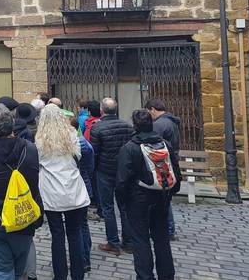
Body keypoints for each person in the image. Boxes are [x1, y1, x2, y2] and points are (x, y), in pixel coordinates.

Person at [0, 103, 43, 280]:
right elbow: (34, 180)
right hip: (25, 218)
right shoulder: (31, 149)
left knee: (1, 273)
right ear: (13, 122)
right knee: (20, 270)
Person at [116, 109, 181, 280]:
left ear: (135, 126)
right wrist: (170, 193)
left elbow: (122, 181)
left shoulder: (129, 148)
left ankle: (145, 276)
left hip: (137, 200)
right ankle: (167, 275)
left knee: (141, 240)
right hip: (161, 197)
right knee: (161, 239)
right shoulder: (166, 144)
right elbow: (176, 172)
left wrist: (122, 202)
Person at [35, 104, 89, 280]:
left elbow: (37, 163)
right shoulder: (72, 135)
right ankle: (78, 274)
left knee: (57, 235)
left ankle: (59, 275)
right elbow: (80, 157)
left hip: (51, 191)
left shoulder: (39, 140)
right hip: (73, 188)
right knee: (74, 233)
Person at [89, 97, 134, 256]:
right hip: (123, 172)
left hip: (105, 171)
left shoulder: (98, 128)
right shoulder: (127, 126)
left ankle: (113, 242)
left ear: (102, 110)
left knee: (108, 207)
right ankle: (128, 242)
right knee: (125, 207)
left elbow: (94, 152)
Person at [145, 99, 181, 240]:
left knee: (161, 198)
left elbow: (153, 143)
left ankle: (167, 229)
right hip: (170, 161)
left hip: (162, 164)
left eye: (149, 112)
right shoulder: (171, 121)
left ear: (153, 109)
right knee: (164, 198)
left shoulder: (159, 124)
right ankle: (169, 229)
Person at [69, 115, 94, 272]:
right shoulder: (85, 144)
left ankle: (81, 259)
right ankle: (86, 257)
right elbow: (91, 166)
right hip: (85, 183)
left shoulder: (72, 145)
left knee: (76, 226)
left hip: (75, 187)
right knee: (83, 223)